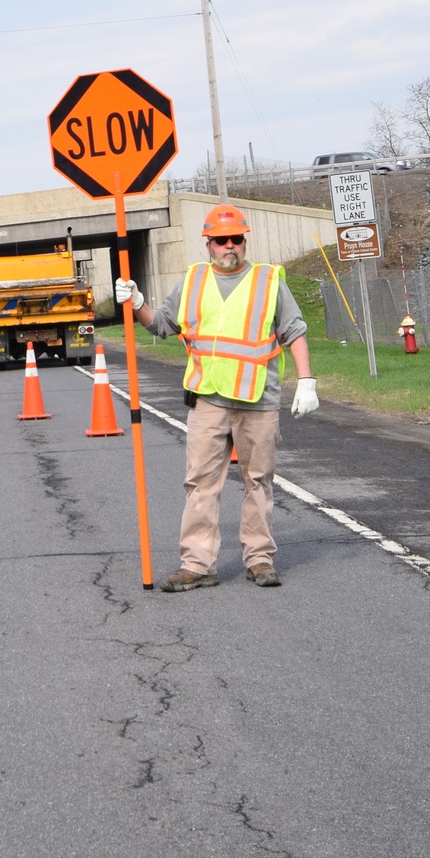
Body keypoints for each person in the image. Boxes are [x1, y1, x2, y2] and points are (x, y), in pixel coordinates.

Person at [114, 203, 316, 592]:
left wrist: (306, 380)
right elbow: (161, 325)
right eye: (221, 240)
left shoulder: (269, 279)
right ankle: (197, 564)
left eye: (236, 239)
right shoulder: (192, 280)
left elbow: (295, 330)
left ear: (244, 241)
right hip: (208, 398)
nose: (229, 246)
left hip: (258, 400)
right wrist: (138, 303)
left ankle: (259, 559)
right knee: (201, 483)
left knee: (258, 481)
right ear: (207, 243)